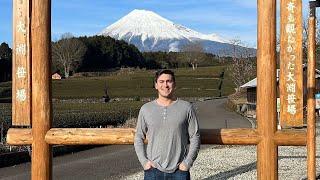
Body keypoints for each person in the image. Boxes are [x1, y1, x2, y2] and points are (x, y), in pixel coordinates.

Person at [134, 69, 200, 180]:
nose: (165, 85)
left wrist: (187, 163)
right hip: (153, 171)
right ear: (156, 85)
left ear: (174, 84)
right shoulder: (146, 109)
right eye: (161, 81)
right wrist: (145, 162)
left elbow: (195, 136)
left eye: (169, 81)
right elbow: (138, 137)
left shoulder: (186, 107)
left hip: (179, 171)